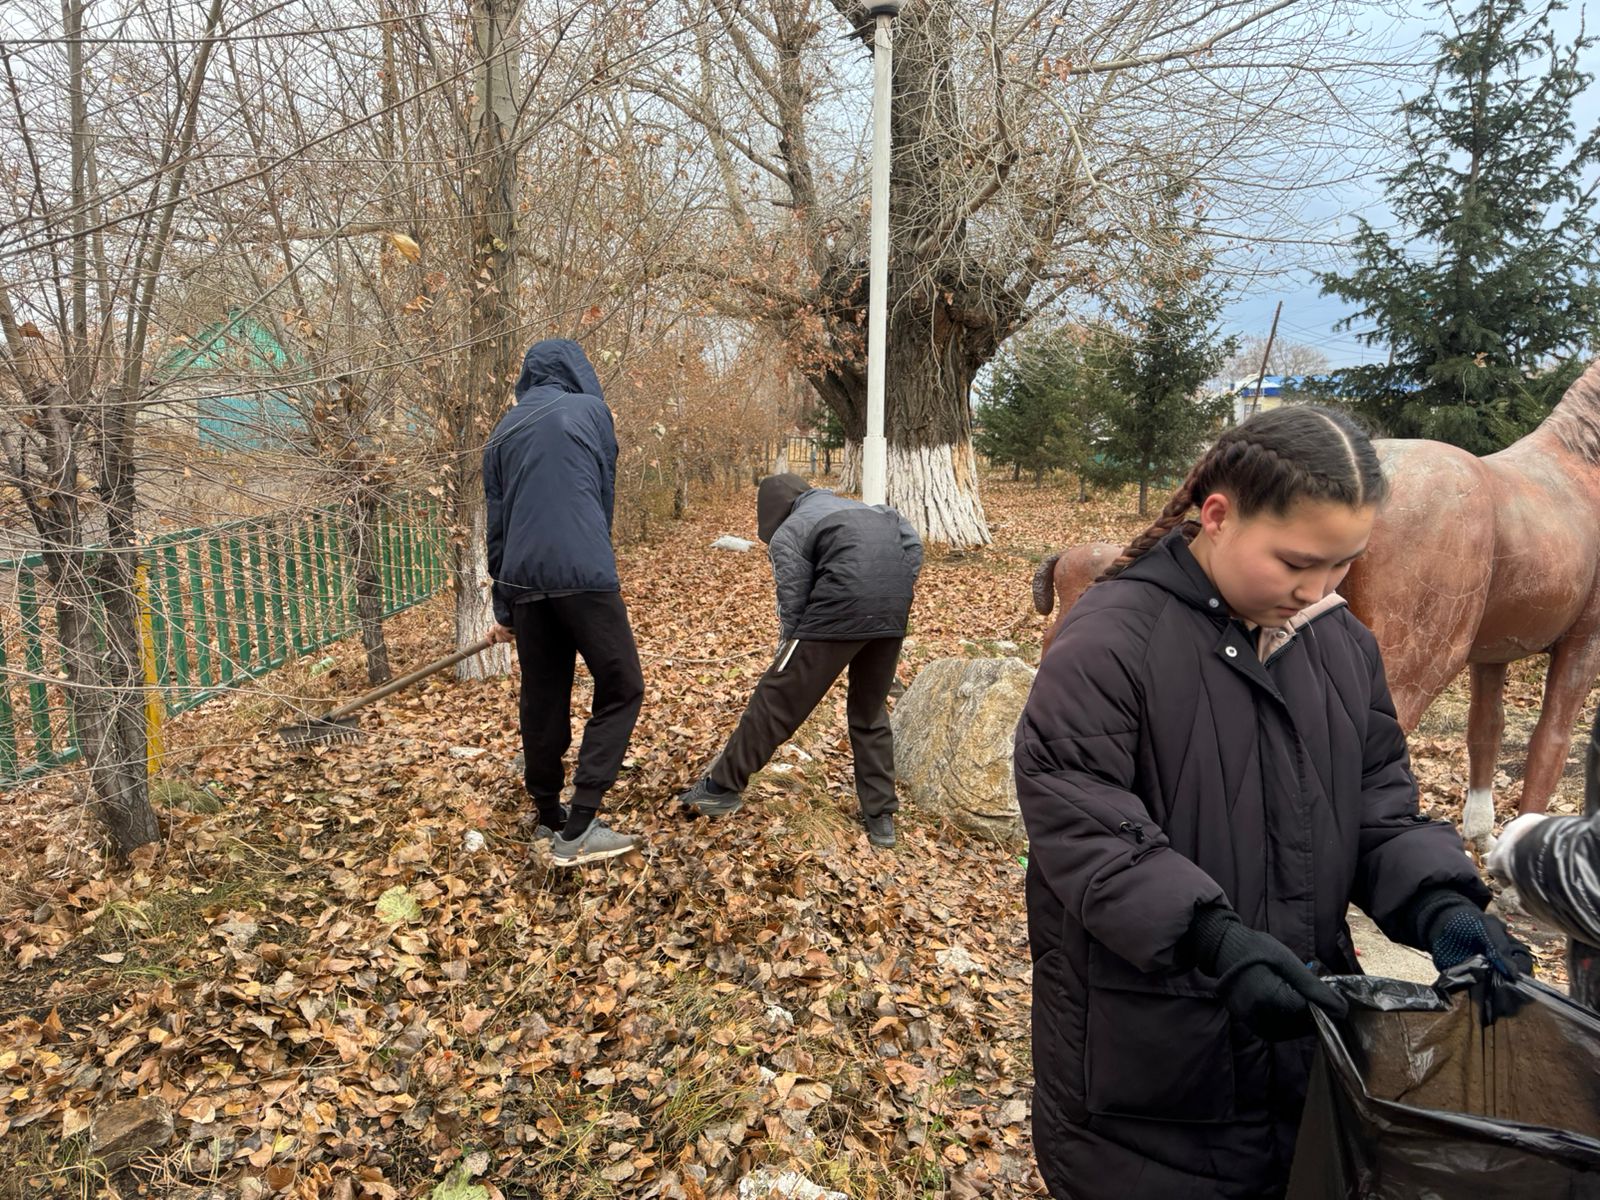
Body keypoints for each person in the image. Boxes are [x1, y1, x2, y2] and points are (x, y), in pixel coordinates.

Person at [1015, 405, 1532, 1200]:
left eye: (1341, 565)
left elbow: (1379, 809)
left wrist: (1443, 909)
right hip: (1148, 1083)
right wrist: (1214, 939)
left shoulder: (1339, 645)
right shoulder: (1110, 639)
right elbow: (1086, 826)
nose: (1318, 589)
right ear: (1217, 516)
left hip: (1300, 1059)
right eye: (1297, 562)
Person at [679, 473, 922, 848]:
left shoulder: (790, 531)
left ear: (773, 511)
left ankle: (719, 789)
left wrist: (786, 657)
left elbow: (792, 603)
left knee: (775, 701)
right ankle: (881, 816)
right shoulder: (865, 508)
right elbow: (911, 541)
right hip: (892, 609)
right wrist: (895, 591)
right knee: (870, 710)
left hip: (841, 608)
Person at [484, 338, 644, 867]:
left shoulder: (503, 430)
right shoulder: (591, 411)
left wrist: (505, 605)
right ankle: (579, 828)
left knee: (543, 693)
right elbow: (602, 494)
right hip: (583, 571)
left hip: (525, 581)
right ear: (578, 371)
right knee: (622, 686)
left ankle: (548, 813)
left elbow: (499, 526)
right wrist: (596, 555)